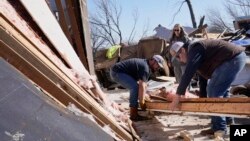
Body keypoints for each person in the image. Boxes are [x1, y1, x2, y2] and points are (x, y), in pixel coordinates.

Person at [168, 39, 246, 135]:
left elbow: (188, 73)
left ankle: (219, 129)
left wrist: (178, 95)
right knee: (220, 91)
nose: (179, 60)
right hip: (234, 58)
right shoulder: (195, 54)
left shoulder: (194, 49)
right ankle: (227, 120)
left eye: (178, 56)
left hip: (233, 59)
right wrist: (203, 96)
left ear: (183, 50)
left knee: (214, 92)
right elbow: (203, 78)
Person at [110, 55, 166, 121]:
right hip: (117, 72)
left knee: (137, 87)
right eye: (158, 65)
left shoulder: (145, 65)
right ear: (153, 61)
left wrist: (145, 96)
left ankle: (134, 108)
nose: (158, 68)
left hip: (118, 71)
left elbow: (144, 85)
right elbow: (141, 85)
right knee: (134, 87)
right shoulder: (145, 68)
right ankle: (133, 115)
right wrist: (142, 102)